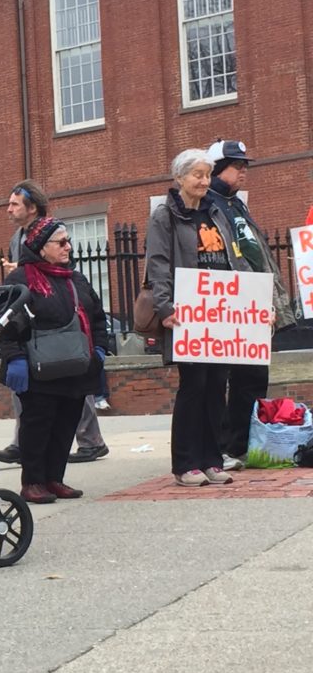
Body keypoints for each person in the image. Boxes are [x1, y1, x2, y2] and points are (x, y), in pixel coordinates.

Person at [145, 149, 247, 487]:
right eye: (197, 175)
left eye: (206, 174)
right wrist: (165, 308)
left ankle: (212, 459)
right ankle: (186, 463)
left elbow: (235, 259)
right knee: (195, 385)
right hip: (187, 313)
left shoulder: (217, 212)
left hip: (221, 313)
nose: (204, 181)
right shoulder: (165, 215)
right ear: (179, 179)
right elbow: (158, 264)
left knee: (218, 384)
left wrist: (254, 301)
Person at [0, 181, 109, 466]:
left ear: (32, 206)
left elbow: (64, 273)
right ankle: (23, 442)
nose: (8, 209)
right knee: (30, 385)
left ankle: (90, 439)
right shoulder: (16, 238)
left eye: (15, 204)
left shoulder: (54, 231)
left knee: (71, 373)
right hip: (33, 321)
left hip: (59, 316)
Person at [206, 139, 295, 470]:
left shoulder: (237, 205)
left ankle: (238, 444)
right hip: (228, 304)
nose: (244, 171)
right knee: (220, 381)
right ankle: (220, 446)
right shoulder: (209, 205)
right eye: (236, 166)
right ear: (216, 169)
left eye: (245, 165)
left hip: (254, 303)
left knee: (254, 379)